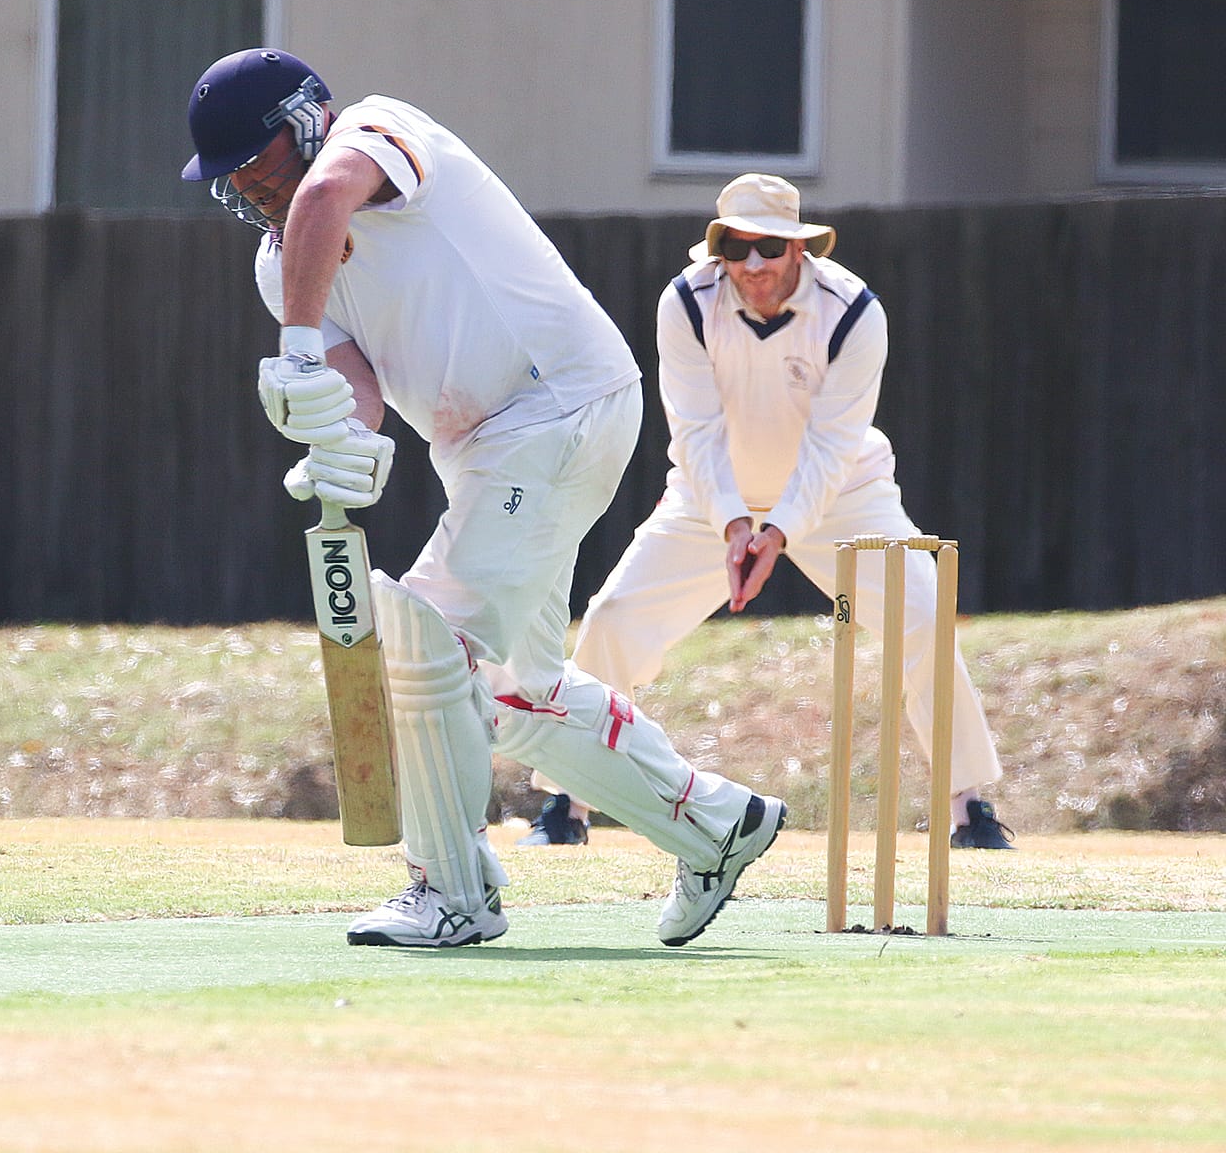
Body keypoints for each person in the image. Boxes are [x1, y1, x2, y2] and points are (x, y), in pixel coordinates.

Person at [180, 47, 788, 949]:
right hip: (492, 451)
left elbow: (320, 199)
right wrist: (336, 439)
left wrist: (296, 349)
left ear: (304, 123)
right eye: (227, 177)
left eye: (254, 161)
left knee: (429, 635)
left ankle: (450, 890)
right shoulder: (283, 269)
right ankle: (712, 824)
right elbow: (360, 394)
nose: (245, 187)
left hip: (555, 404)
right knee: (514, 693)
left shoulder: (379, 131)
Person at [565, 173, 1013, 852]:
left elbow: (832, 446)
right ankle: (567, 807)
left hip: (844, 496)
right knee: (612, 619)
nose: (751, 266)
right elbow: (696, 431)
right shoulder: (686, 302)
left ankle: (968, 809)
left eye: (767, 248)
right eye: (735, 248)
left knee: (921, 613)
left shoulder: (854, 310)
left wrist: (777, 532)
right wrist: (736, 524)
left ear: (799, 249)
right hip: (709, 497)